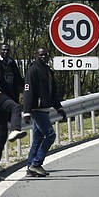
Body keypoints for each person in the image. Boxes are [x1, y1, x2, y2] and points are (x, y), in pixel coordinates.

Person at [23, 47, 66, 177]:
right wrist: (26, 111)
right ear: (36, 55)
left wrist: (58, 107)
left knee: (38, 138)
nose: (43, 57)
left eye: (45, 55)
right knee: (50, 135)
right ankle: (36, 163)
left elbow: (52, 92)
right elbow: (28, 91)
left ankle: (30, 166)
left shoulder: (47, 70)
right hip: (37, 109)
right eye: (41, 55)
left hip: (45, 108)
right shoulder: (33, 70)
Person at [0, 44, 27, 171]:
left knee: (2, 134)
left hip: (10, 98)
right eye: (3, 50)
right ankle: (15, 129)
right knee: (16, 107)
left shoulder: (12, 63)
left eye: (7, 50)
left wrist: (28, 86)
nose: (6, 52)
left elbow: (18, 79)